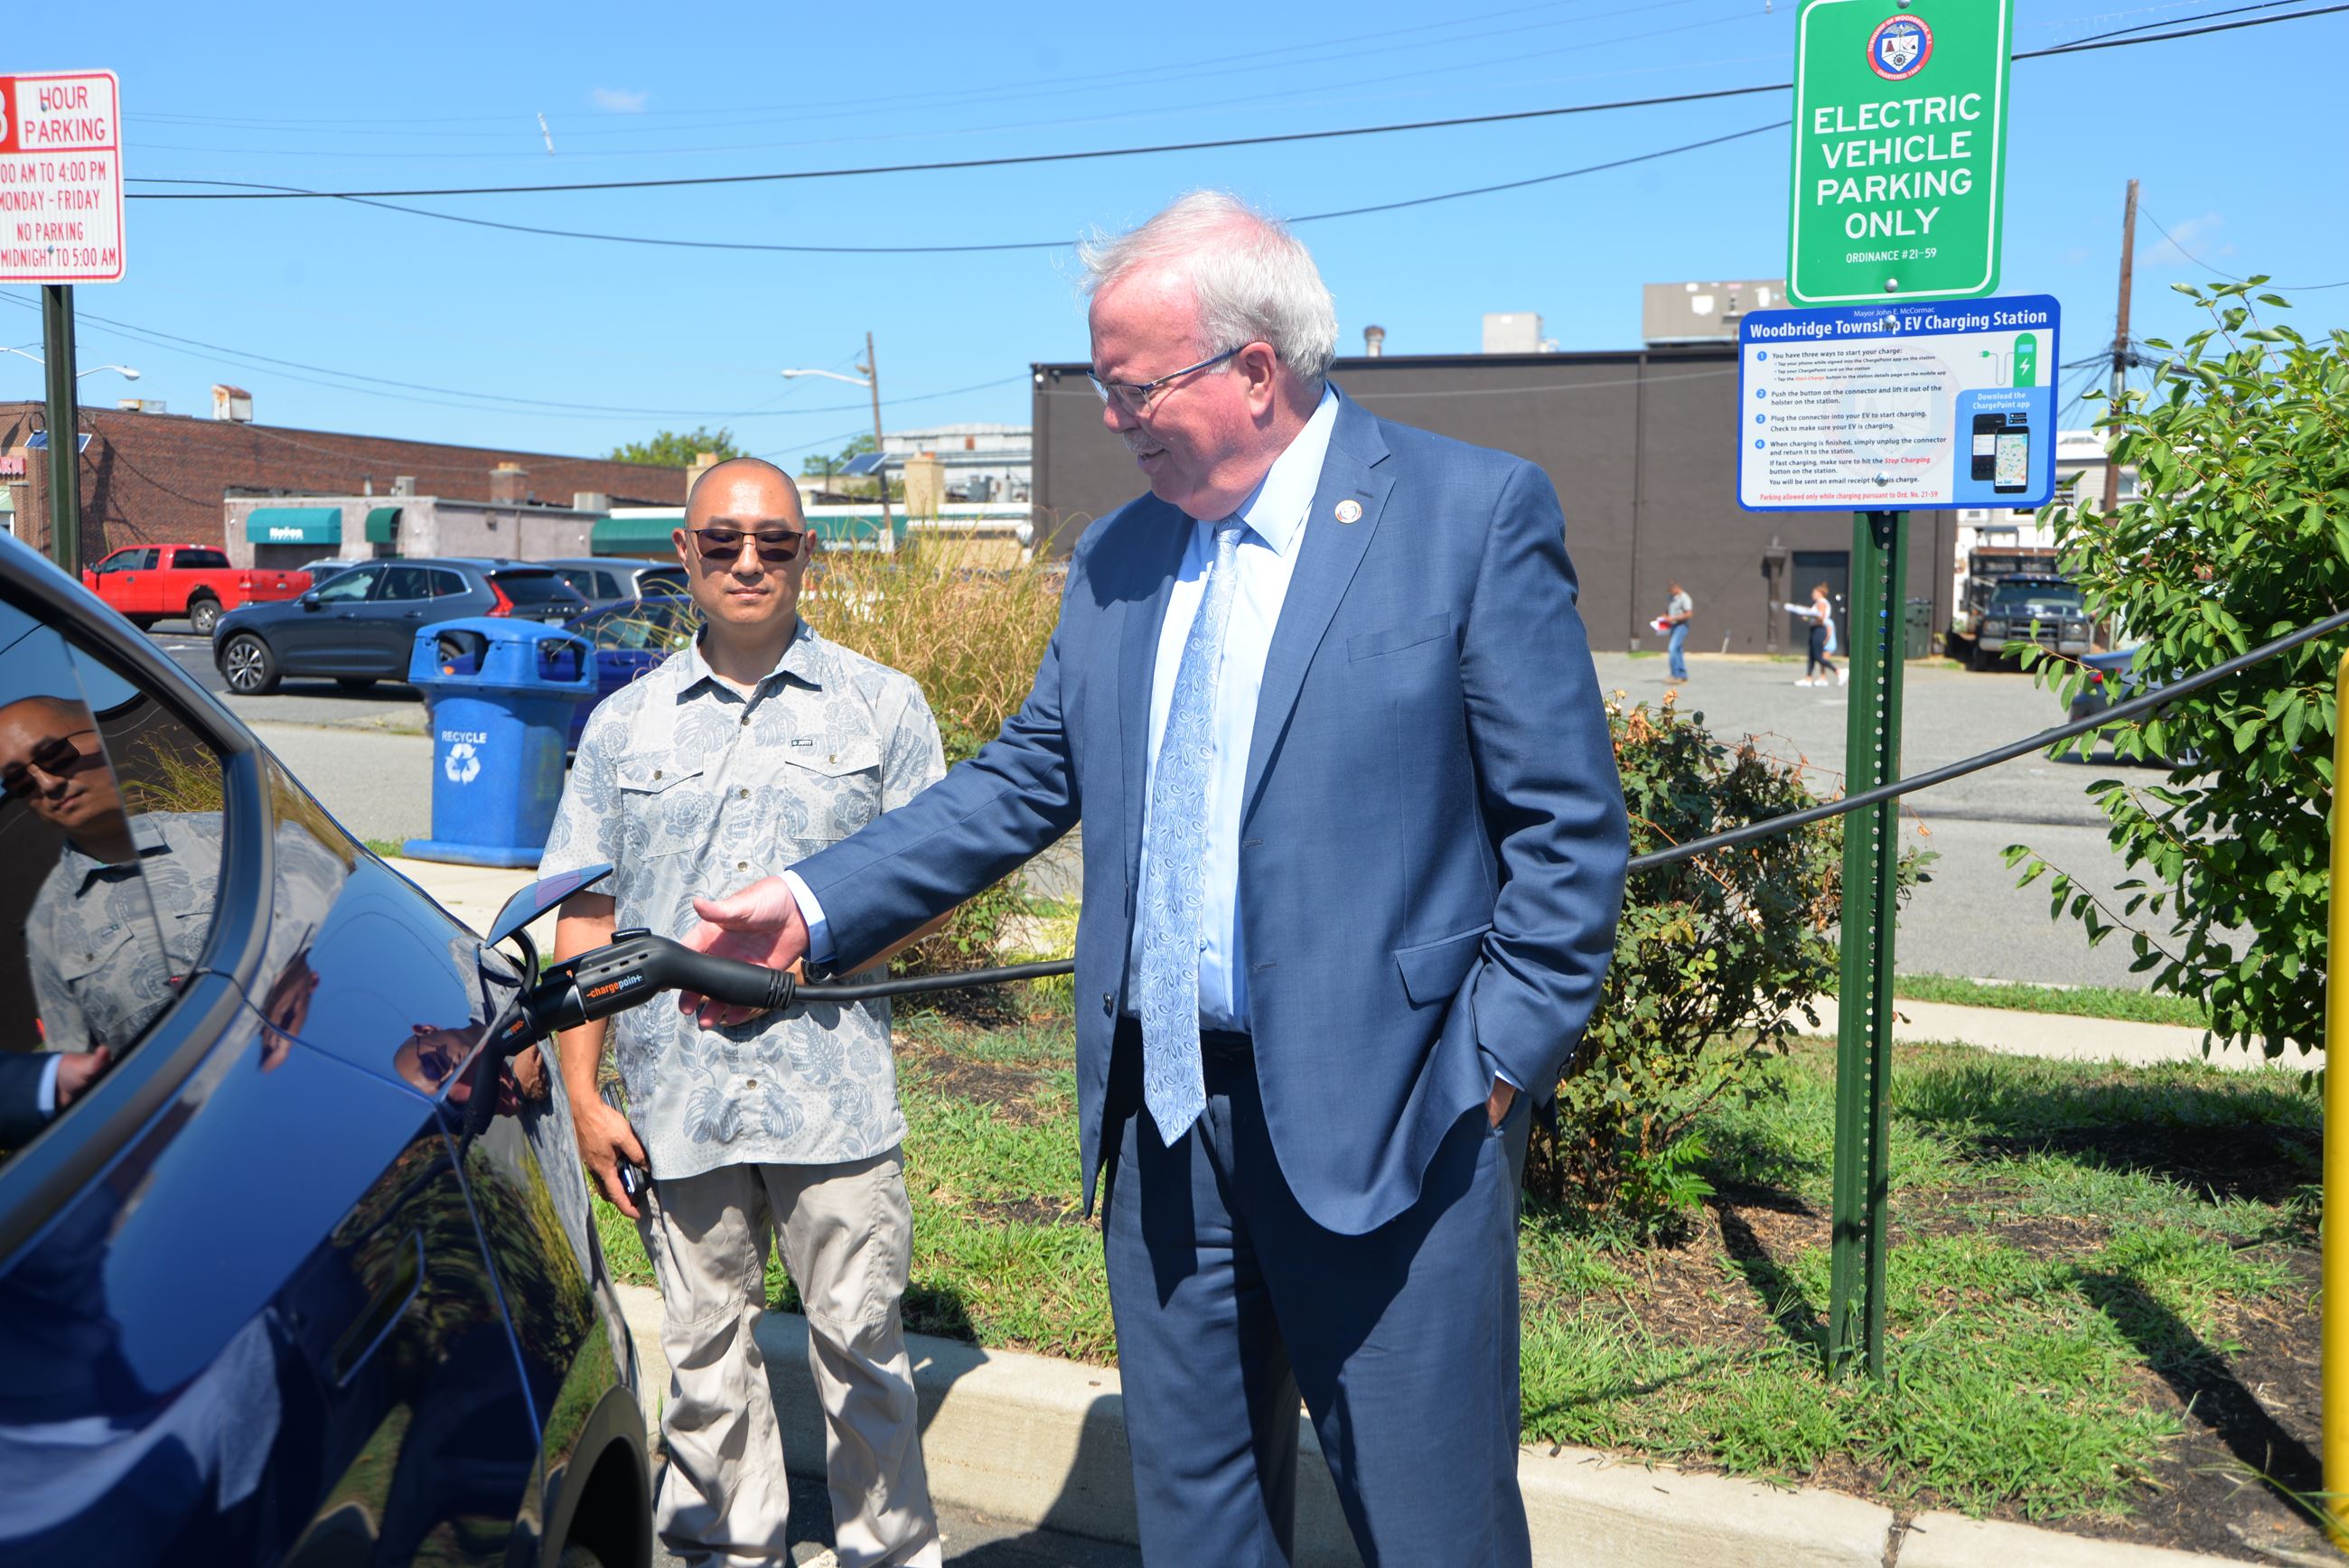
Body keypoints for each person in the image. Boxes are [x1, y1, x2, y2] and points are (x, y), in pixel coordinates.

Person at [678, 192, 1630, 1565]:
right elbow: (1021, 782)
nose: (1113, 417)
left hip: (1404, 1116)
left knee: (1434, 1528)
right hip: (1169, 1121)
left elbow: (1567, 828)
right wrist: (815, 904)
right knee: (1199, 1527)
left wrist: (1498, 1062)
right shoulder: (1122, 557)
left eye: (1132, 387)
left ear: (1253, 368)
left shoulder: (1466, 515)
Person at [542, 457, 948, 1568]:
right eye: (721, 541)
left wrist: (826, 951)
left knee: (864, 1355)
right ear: (684, 552)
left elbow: (930, 880)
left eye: (774, 540)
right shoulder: (623, 727)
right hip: (679, 1101)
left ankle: (886, 1551)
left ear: (807, 550)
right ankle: (729, 1551)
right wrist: (582, 1091)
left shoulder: (884, 705)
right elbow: (587, 914)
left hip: (835, 1098)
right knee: (705, 1359)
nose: (749, 561)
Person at [1791, 583, 1842, 686]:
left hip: (1819, 630)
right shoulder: (1819, 603)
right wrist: (1807, 616)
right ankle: (1808, 678)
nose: (1812, 594)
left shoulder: (1821, 603)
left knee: (1818, 656)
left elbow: (1821, 617)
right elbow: (1816, 617)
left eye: (1814, 593)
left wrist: (1807, 614)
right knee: (1811, 656)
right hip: (1815, 629)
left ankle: (1838, 671)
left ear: (1819, 593)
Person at [1661, 580, 1694, 682]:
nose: (1670, 592)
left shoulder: (1685, 598)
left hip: (1681, 626)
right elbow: (1668, 610)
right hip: (1673, 626)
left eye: (1671, 590)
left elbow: (1689, 614)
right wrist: (1665, 616)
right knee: (1678, 650)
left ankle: (1675, 674)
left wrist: (1674, 618)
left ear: (1677, 588)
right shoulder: (1671, 598)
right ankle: (1682, 675)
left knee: (1672, 648)